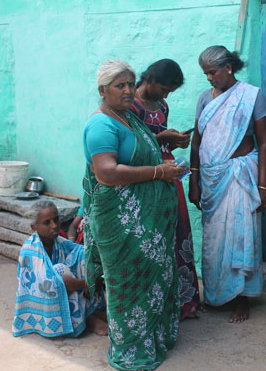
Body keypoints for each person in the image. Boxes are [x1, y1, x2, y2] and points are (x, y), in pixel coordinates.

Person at [82, 60, 185, 370]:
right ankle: (130, 349)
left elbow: (137, 148)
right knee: (128, 285)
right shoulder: (101, 124)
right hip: (121, 224)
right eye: (119, 85)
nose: (128, 90)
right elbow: (107, 172)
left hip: (146, 225)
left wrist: (162, 140)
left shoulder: (127, 118)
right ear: (103, 90)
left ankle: (154, 337)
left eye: (130, 83)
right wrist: (159, 172)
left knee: (153, 280)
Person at [189, 45, 266, 323]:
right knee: (214, 241)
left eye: (212, 72)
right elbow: (197, 140)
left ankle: (242, 299)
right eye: (205, 73)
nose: (209, 78)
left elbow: (265, 141)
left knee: (241, 235)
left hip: (239, 175)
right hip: (212, 179)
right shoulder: (204, 98)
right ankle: (214, 294)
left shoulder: (252, 95)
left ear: (228, 68)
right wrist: (194, 178)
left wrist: (263, 185)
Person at [133, 59, 201, 320]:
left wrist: (175, 142)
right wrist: (161, 138)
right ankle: (156, 305)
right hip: (146, 179)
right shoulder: (132, 108)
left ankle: (184, 300)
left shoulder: (162, 106)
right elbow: (134, 147)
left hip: (170, 176)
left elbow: (162, 148)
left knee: (178, 232)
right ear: (150, 81)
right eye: (163, 89)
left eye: (169, 91)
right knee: (153, 239)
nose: (166, 95)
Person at [12, 201, 107, 338]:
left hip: (66, 287)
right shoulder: (30, 251)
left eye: (56, 220)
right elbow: (54, 282)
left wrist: (92, 273)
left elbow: (82, 252)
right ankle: (88, 319)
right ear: (34, 227)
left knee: (83, 256)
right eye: (47, 223)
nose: (54, 226)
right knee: (60, 270)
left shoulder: (57, 242)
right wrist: (88, 283)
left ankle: (91, 311)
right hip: (44, 303)